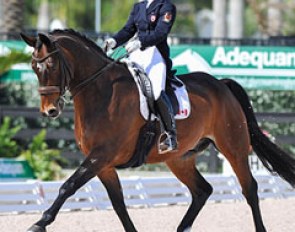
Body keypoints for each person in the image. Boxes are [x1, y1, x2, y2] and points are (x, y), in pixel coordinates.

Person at [103, 0, 177, 154]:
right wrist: (114, 41)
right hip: (136, 54)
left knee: (156, 92)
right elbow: (128, 30)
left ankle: (170, 135)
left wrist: (140, 42)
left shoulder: (166, 7)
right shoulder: (139, 7)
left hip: (155, 54)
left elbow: (161, 33)